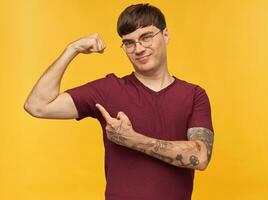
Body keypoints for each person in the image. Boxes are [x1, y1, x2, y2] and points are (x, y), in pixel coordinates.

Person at [24, 3, 214, 200]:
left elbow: (200, 157)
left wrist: (134, 140)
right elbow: (37, 105)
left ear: (165, 35)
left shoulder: (194, 95)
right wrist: (72, 49)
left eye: (146, 37)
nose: (138, 48)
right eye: (129, 43)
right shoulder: (108, 89)